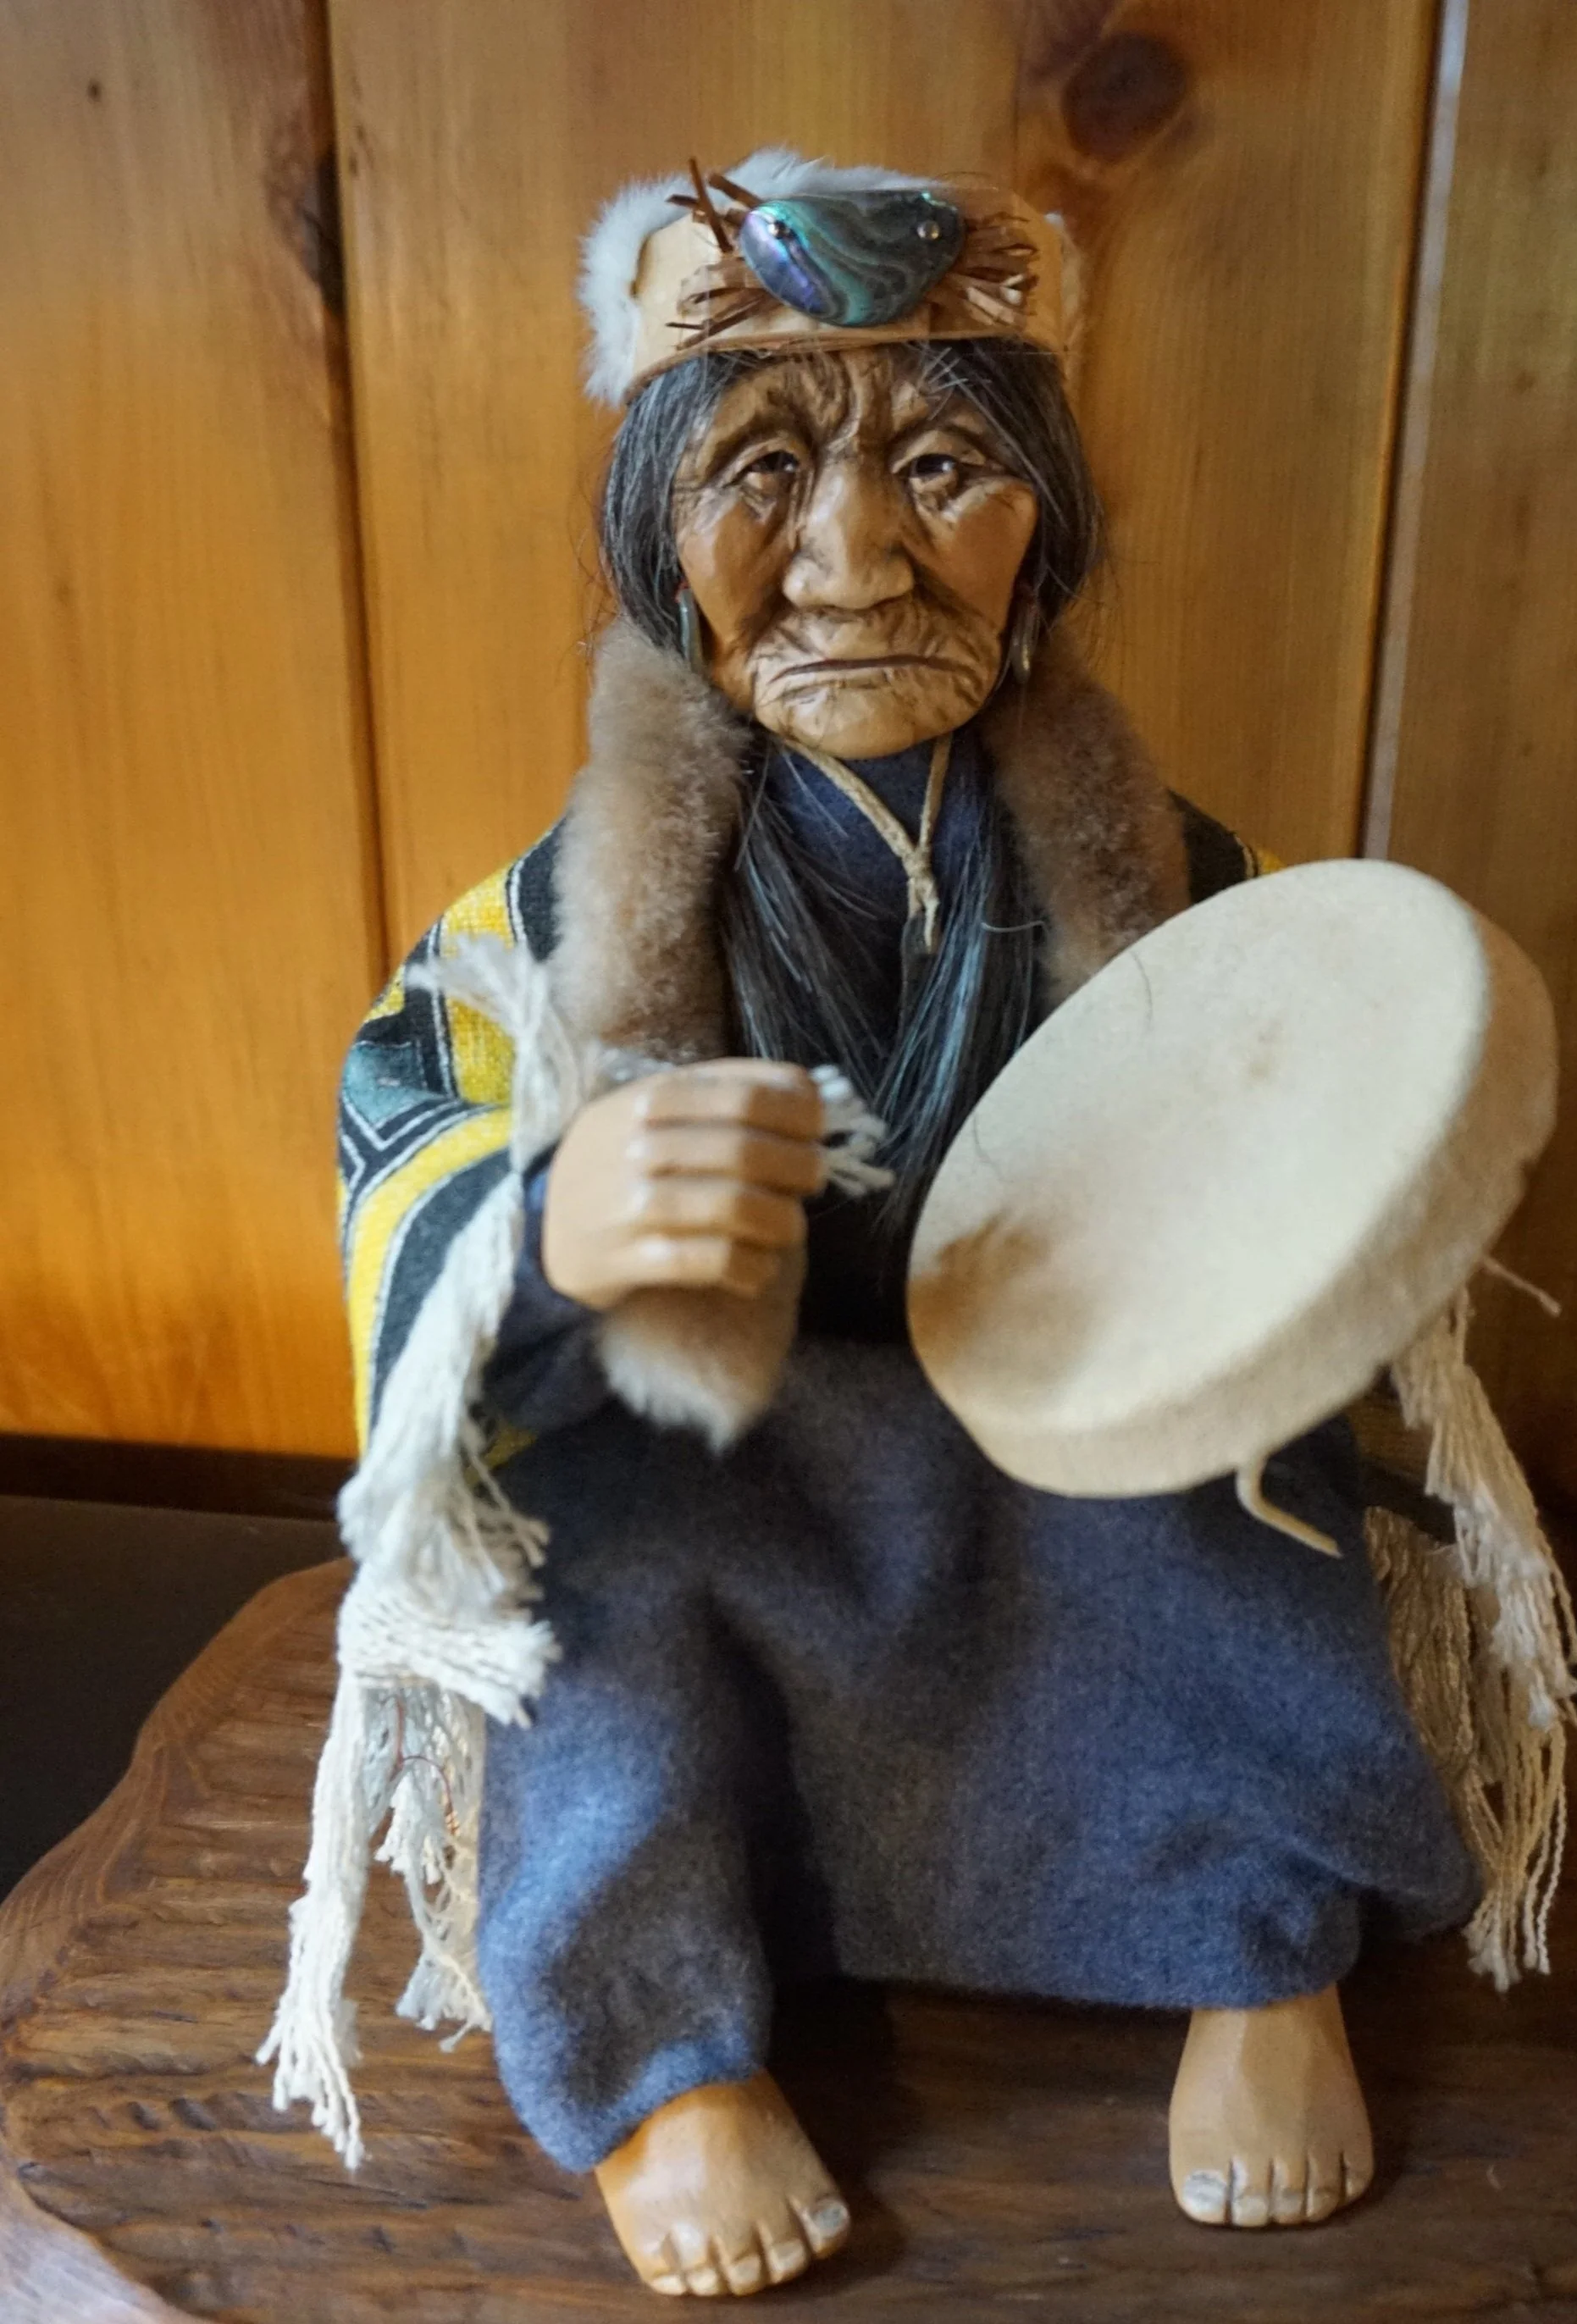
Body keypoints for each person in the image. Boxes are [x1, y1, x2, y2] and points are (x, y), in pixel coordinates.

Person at [268, 155, 1514, 2299]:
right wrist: (547, 1225)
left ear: (1045, 532)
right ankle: (658, 2054)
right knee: (601, 1581)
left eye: (940, 468)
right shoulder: (541, 932)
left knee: (1239, 1510)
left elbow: (1330, 1195)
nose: (851, 561)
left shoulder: (1188, 895)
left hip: (1072, 1477)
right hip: (735, 1494)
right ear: (655, 537)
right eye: (758, 474)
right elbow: (406, 1138)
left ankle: (1255, 1944)